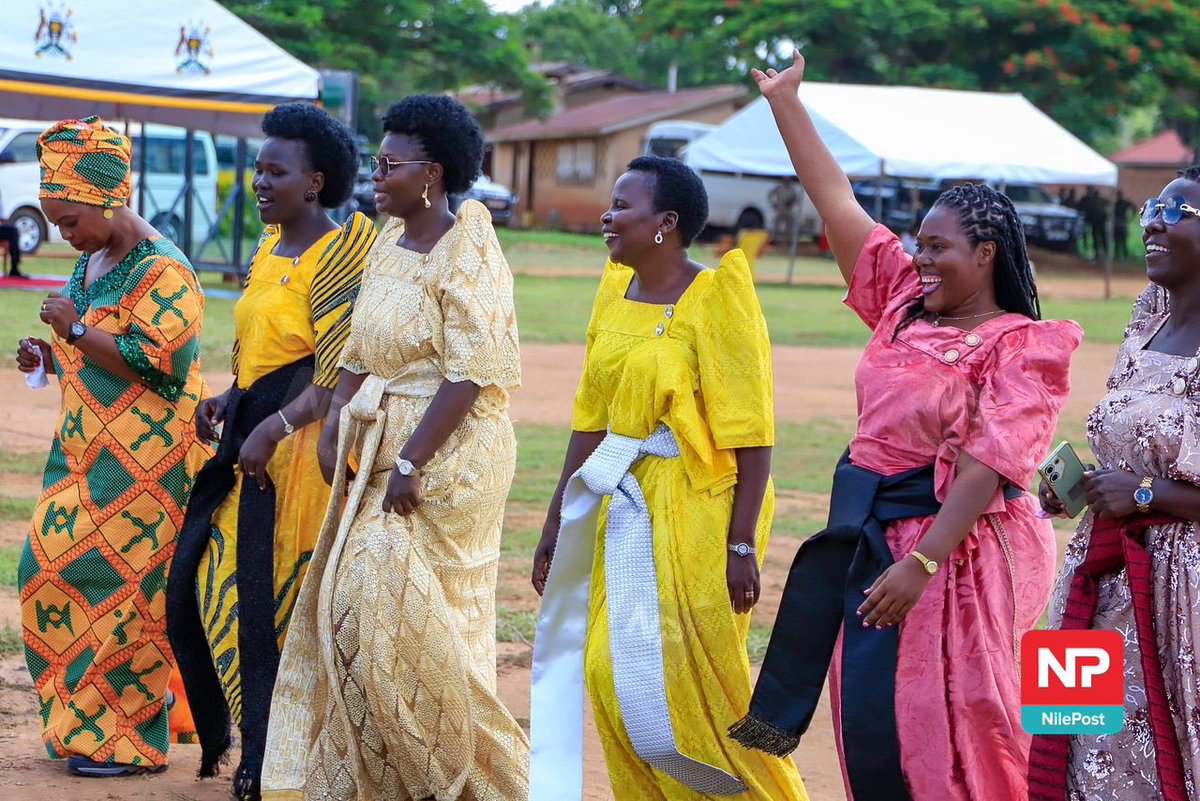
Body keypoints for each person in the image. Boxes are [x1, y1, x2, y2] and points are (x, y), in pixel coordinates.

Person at [726, 52, 1082, 801]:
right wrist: (785, 102)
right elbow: (836, 201)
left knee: (969, 715)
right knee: (879, 709)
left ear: (985, 255)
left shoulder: (1023, 343)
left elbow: (990, 462)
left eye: (938, 247)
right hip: (873, 536)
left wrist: (922, 562)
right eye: (917, 242)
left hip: (966, 550)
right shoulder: (900, 301)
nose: (919, 257)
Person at [261, 94, 528, 801]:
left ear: (432, 172)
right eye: (376, 161)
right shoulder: (387, 236)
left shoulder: (469, 245)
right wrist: (335, 421)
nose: (375, 174)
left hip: (448, 457)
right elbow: (360, 344)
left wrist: (411, 460)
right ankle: (383, 775)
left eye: (389, 163)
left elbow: (471, 370)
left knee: (403, 616)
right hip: (379, 441)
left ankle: (476, 777)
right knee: (353, 612)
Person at [529, 155, 809, 801]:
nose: (608, 214)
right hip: (618, 500)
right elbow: (589, 420)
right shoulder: (613, 290)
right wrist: (554, 523)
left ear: (666, 222)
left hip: (698, 508)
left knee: (686, 678)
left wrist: (742, 543)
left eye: (623, 205)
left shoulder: (716, 294)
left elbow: (753, 433)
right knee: (608, 676)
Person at [165, 102, 374, 800]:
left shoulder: (339, 256)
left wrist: (275, 425)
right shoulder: (268, 247)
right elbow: (262, 354)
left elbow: (336, 374)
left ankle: (286, 763)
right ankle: (263, 748)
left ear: (315, 181)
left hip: (305, 459)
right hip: (253, 440)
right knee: (216, 586)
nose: (259, 181)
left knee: (284, 610)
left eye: (274, 172)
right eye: (257, 169)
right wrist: (231, 397)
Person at [14, 116, 209, 777]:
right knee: (42, 572)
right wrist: (46, 352)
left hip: (151, 471)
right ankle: (79, 725)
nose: (65, 234)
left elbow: (161, 364)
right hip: (84, 461)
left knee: (130, 601)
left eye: (70, 220)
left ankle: (129, 740)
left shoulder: (165, 269)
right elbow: (84, 347)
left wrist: (71, 331)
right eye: (57, 220)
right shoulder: (89, 262)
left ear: (108, 199)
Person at [1029, 168, 1200, 801]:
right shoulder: (1146, 322)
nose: (1153, 221)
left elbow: (1148, 481)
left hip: (1183, 597)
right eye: (1153, 207)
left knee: (1159, 762)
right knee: (1074, 750)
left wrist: (1148, 495)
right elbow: (1124, 445)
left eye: (1178, 211)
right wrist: (1081, 488)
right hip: (1096, 580)